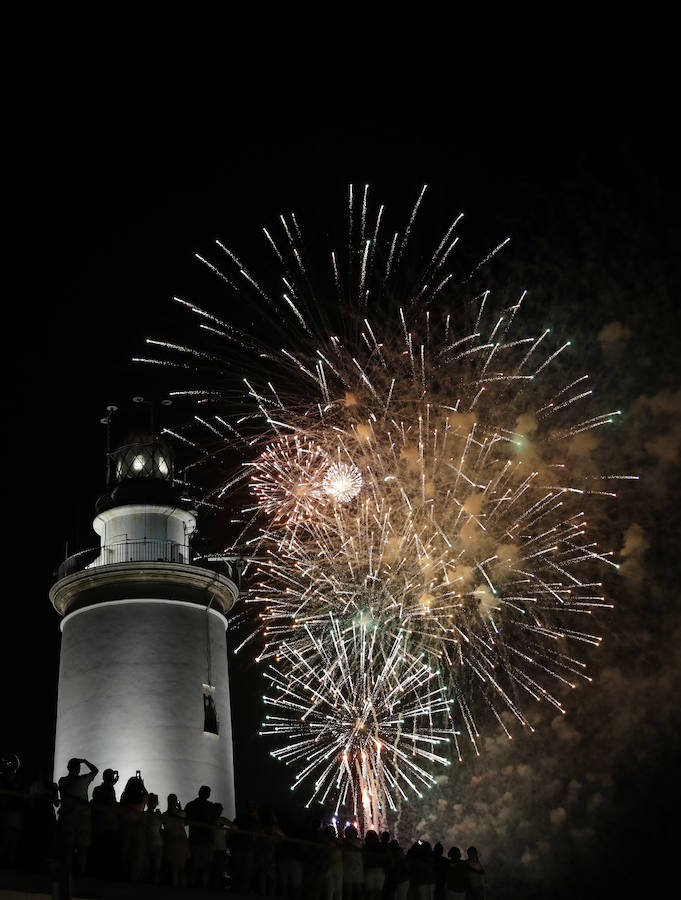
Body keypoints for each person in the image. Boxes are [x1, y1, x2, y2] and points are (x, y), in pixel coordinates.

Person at [57, 757, 98, 875]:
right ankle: (81, 873)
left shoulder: (62, 781)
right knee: (82, 849)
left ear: (68, 768)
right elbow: (95, 770)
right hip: (83, 817)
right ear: (78, 768)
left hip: (68, 816)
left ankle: (67, 872)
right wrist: (85, 761)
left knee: (68, 848)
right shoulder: (83, 780)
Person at [118, 774, 148, 881]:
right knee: (138, 853)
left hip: (125, 825)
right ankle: (134, 876)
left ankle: (123, 874)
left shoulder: (125, 796)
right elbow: (147, 797)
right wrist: (143, 785)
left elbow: (121, 806)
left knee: (125, 851)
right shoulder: (142, 798)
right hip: (138, 826)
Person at [184, 785, 215, 888]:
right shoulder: (210, 806)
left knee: (195, 864)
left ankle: (193, 884)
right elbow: (213, 822)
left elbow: (186, 821)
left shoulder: (191, 805)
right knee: (205, 865)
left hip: (196, 839)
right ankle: (203, 885)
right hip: (205, 839)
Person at [91, 768, 119, 877]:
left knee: (99, 851)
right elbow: (110, 804)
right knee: (107, 851)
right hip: (108, 825)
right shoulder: (110, 790)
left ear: (103, 777)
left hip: (98, 825)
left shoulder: (97, 789)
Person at [162, 794, 188, 887]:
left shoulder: (165, 815)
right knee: (180, 867)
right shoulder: (181, 813)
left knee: (175, 867)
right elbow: (184, 823)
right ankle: (181, 887)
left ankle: (176, 887)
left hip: (172, 840)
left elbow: (165, 827)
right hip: (180, 840)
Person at [145, 793, 163, 884]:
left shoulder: (144, 814)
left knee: (151, 866)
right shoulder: (157, 815)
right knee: (154, 867)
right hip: (154, 842)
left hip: (151, 842)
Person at [342, 824, 363, 900]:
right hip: (355, 869)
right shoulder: (359, 843)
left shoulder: (343, 843)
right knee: (356, 893)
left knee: (349, 893)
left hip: (350, 869)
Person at [364, 830, 386, 900]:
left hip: (370, 870)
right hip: (379, 870)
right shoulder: (381, 847)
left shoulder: (365, 847)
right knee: (377, 893)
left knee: (370, 893)